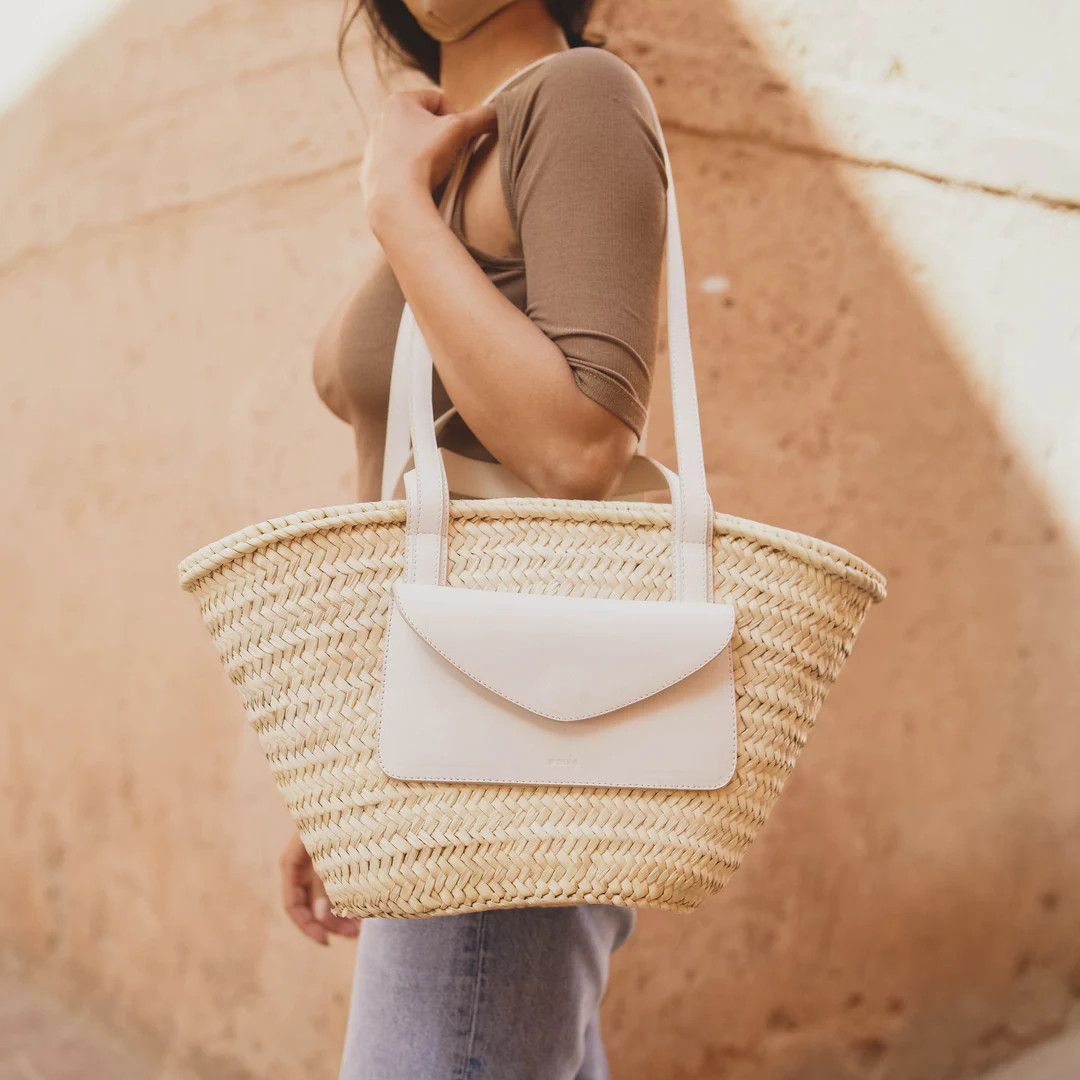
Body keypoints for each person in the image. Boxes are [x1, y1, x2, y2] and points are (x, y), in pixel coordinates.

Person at [289, 1, 668, 1075]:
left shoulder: (578, 98)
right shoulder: (453, 143)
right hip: (437, 741)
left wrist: (392, 205)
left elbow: (578, 445)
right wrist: (346, 771)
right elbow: (410, 496)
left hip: (510, 750)